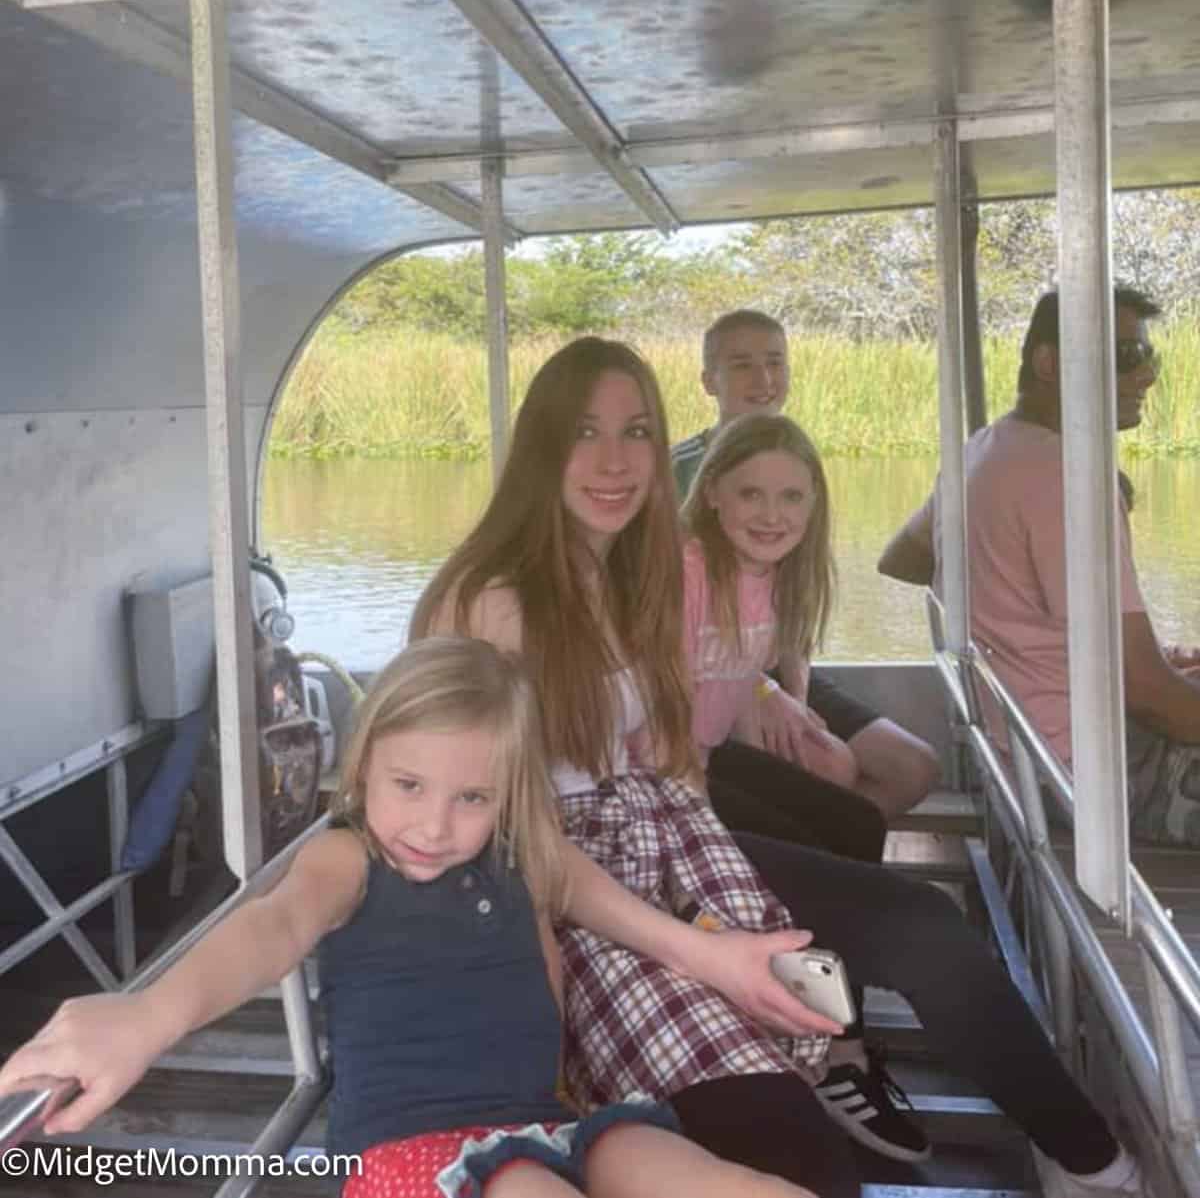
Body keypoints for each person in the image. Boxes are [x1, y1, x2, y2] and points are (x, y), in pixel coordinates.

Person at [415, 336, 1145, 1197]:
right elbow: (497, 835)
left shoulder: (625, 580)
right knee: (803, 1163)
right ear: (543, 446)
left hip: (668, 844)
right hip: (565, 901)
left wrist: (724, 873)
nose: (615, 460)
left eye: (638, 431)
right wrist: (704, 948)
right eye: (585, 432)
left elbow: (667, 756)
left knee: (919, 925)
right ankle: (811, 1066)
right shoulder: (488, 599)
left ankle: (1094, 1161)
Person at [0, 637, 821, 1198]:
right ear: (363, 766)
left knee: (731, 1184)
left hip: (546, 1124)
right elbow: (271, 927)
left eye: (471, 797)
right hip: (409, 1157)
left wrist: (718, 959)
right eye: (409, 785)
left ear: (505, 797)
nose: (433, 826)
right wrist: (148, 1015)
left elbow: (589, 895)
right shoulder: (349, 861)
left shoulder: (513, 850)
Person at [879, 286, 1200, 848]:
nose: (1146, 376)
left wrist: (1020, 634)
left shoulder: (982, 451)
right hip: (1095, 772)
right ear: (1048, 362)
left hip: (1029, 751)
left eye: (1149, 357)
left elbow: (902, 558)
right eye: (1127, 356)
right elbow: (1148, 692)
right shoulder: (1066, 477)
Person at [672, 309, 939, 822]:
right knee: (829, 771)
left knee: (914, 769)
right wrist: (758, 690)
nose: (764, 380)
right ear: (710, 380)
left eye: (775, 362)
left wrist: (794, 696)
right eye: (743, 365)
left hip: (773, 657)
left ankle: (834, 852)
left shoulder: (798, 457)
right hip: (714, 669)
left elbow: (794, 602)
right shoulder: (674, 472)